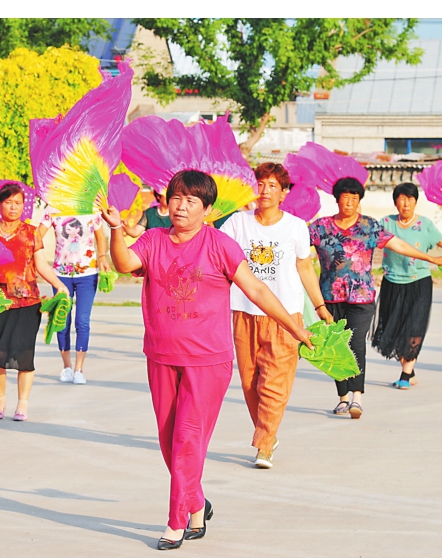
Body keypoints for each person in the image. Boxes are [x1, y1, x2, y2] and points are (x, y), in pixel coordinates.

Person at [102, 170, 313, 550]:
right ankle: (196, 504)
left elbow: (257, 288)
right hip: (161, 356)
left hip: (207, 360)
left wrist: (294, 327)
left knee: (187, 440)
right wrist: (117, 229)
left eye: (191, 201)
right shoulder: (152, 239)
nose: (180, 207)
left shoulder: (220, 245)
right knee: (169, 442)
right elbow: (122, 265)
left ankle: (175, 520)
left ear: (208, 209)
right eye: (175, 198)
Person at [219, 162, 333, 469]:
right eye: (260, 183)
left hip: (285, 315)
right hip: (244, 312)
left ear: (284, 193)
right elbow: (217, 253)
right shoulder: (236, 223)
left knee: (275, 383)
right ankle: (267, 431)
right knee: (249, 383)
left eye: (272, 186)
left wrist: (320, 307)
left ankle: (265, 444)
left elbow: (305, 268)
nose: (265, 190)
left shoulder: (295, 226)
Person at [309, 178, 442, 418]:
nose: (349, 203)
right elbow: (295, 246)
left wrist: (430, 259)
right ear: (337, 199)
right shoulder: (320, 227)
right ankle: (342, 397)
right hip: (330, 297)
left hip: (362, 298)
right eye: (345, 197)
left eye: (354, 198)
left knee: (356, 343)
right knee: (337, 346)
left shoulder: (370, 226)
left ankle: (357, 397)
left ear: (359, 201)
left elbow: (398, 245)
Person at [0, 183, 69, 421]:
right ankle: (0, 401)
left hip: (27, 302)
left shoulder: (31, 233)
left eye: (18, 203)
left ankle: (22, 404)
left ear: (23, 206)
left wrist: (59, 285)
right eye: (9, 202)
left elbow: (41, 265)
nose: (13, 207)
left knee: (24, 355)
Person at [371, 182, 442, 389]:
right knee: (393, 330)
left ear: (415, 202)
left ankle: (405, 374)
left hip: (419, 283)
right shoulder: (385, 223)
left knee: (414, 327)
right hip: (392, 283)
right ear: (395, 202)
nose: (406, 203)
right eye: (402, 198)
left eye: (410, 199)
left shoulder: (425, 225)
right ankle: (410, 369)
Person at [38, 207, 110, 384]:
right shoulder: (53, 208)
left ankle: (79, 369)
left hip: (88, 274)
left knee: (82, 321)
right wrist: (34, 258)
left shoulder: (91, 207)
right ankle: (67, 367)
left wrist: (102, 257)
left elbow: (100, 237)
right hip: (60, 275)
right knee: (62, 321)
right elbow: (36, 235)